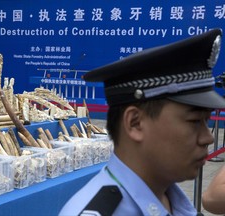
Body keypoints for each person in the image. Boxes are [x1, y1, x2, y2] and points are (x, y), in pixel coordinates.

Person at [59, 28, 225, 216]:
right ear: (135, 123)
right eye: (195, 121)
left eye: (207, 121)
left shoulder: (174, 202)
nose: (208, 138)